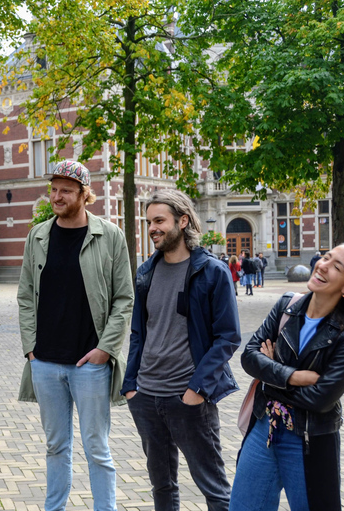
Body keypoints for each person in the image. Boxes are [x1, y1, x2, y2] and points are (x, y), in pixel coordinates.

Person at [230, 240, 344, 511]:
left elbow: (320, 398)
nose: (323, 266)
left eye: (337, 266)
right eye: (325, 257)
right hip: (264, 426)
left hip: (309, 438)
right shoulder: (287, 305)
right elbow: (249, 357)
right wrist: (293, 376)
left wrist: (271, 372)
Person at [17, 160, 134, 511]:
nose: (56, 196)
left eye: (66, 190)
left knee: (97, 447)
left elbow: (124, 298)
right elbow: (24, 296)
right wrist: (31, 349)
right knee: (56, 446)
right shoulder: (37, 236)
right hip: (45, 363)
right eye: (53, 189)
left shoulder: (109, 235)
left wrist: (105, 350)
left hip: (90, 364)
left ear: (85, 195)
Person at [123, 189, 240, 511]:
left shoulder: (211, 271)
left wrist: (197, 389)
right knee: (162, 485)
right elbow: (138, 332)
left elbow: (228, 337)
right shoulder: (146, 272)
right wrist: (130, 386)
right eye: (149, 222)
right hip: (146, 397)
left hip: (188, 398)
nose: (152, 228)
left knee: (214, 488)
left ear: (183, 220)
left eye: (159, 220)